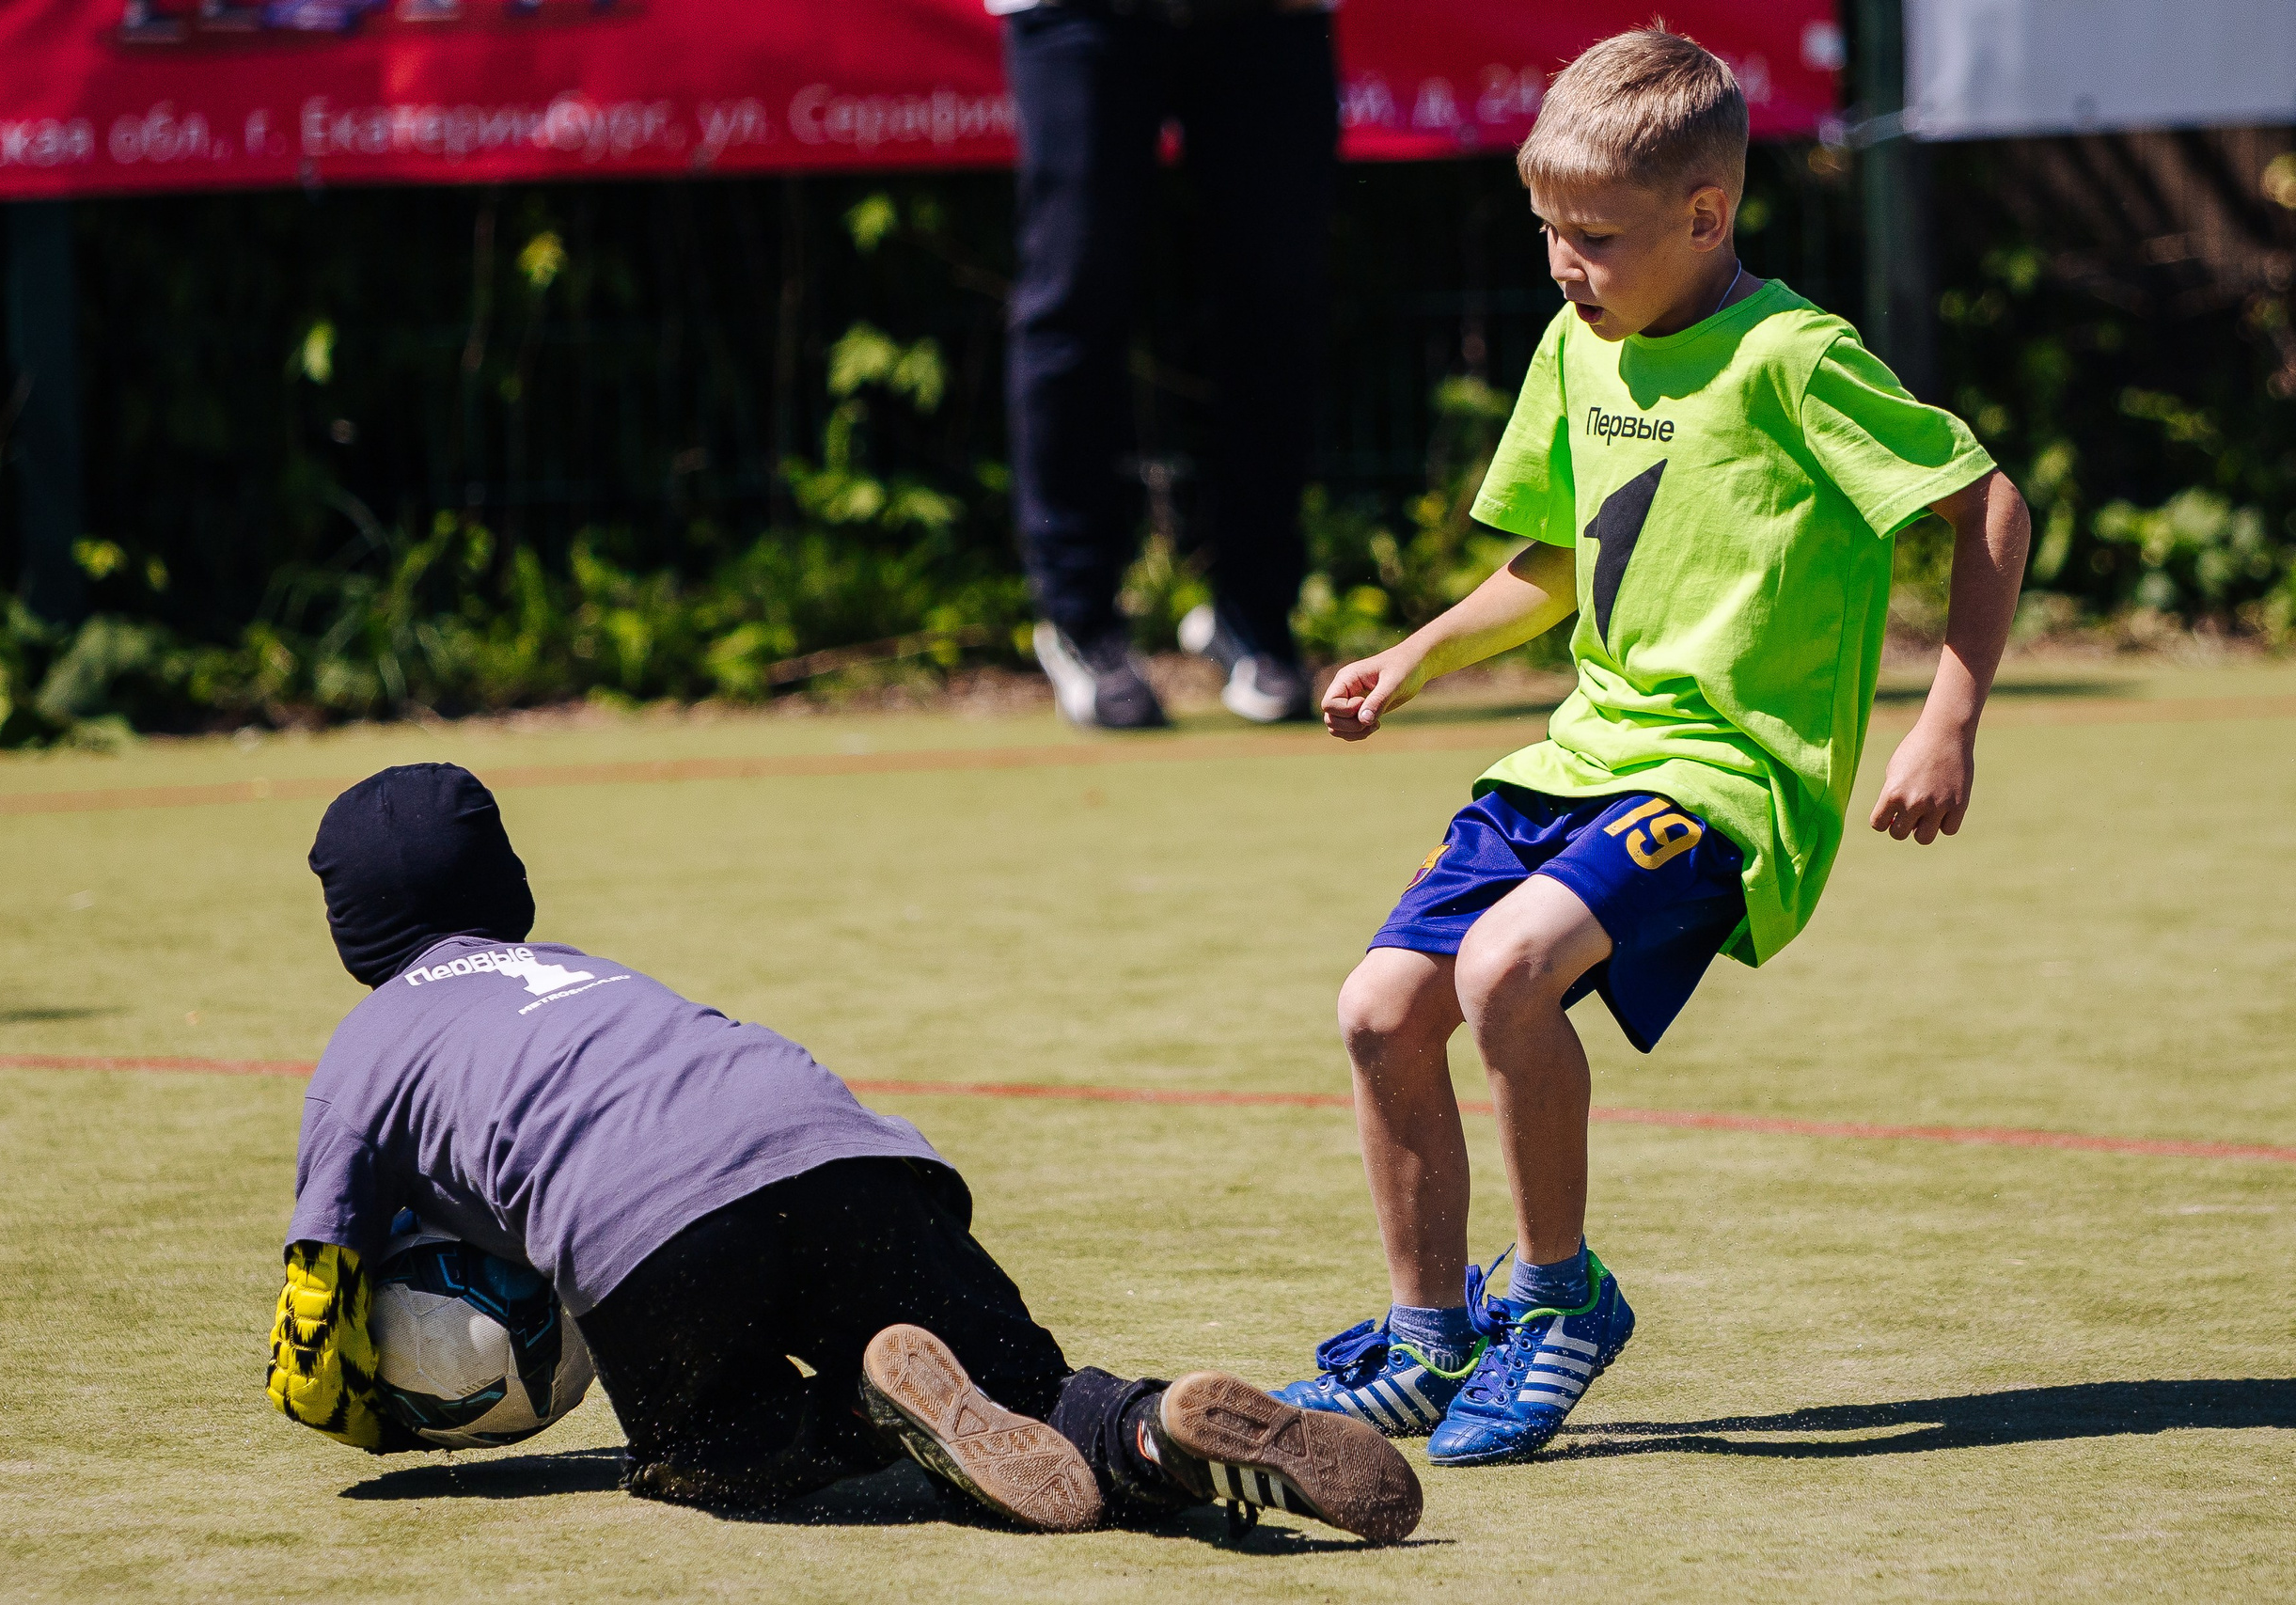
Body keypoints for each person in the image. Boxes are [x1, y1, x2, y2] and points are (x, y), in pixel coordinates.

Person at [1268, 28, 2032, 1466]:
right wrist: (1418, 658)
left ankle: (1559, 1297)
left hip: (1725, 780)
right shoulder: (1580, 345)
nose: (1563, 264)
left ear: (1707, 213)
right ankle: (1428, 1338)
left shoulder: (1793, 356)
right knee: (1378, 1010)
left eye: (1595, 237)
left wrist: (1947, 714)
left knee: (1503, 970)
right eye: (1548, 230)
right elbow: (1561, 560)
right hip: (1573, 760)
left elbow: (1987, 506)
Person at [264, 763, 1421, 1542]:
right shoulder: (584, 970)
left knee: (706, 1453)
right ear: (505, 887)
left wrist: (373, 1413)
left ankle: (870, 1416)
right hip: (846, 1154)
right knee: (1031, 1387)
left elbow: (316, 1315)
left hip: (652, 1234)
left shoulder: (365, 1053)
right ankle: (1152, 1426)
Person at [998, 0, 1337, 729]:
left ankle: (1256, 616)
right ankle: (1078, 619)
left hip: (1274, 15)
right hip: (1078, 16)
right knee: (1074, 299)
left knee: (1276, 301)